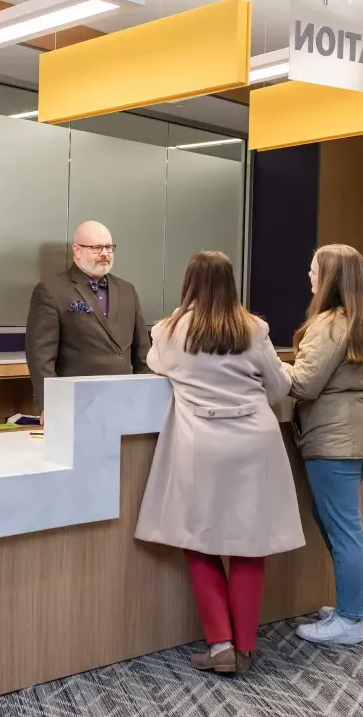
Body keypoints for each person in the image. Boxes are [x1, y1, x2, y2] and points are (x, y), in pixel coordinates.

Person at [134, 251, 305, 675]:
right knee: (250, 545)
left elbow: (155, 365)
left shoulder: (169, 331)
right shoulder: (254, 328)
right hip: (254, 444)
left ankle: (221, 644)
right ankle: (246, 647)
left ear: (188, 284)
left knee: (200, 541)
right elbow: (281, 385)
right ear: (232, 284)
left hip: (201, 447)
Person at [284, 243, 363, 646]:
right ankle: (358, 608)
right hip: (362, 437)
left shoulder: (329, 323)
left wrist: (267, 362)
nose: (309, 276)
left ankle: (349, 620)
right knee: (340, 523)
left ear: (329, 278)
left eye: (313, 270)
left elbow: (304, 383)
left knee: (343, 528)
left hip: (334, 439)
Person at [25, 221, 151, 418]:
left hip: (126, 400)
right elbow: (41, 357)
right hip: (79, 402)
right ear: (77, 250)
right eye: (96, 248)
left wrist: (149, 395)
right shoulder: (52, 290)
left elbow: (142, 350)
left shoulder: (127, 290)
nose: (105, 253)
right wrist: (48, 404)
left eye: (109, 247)